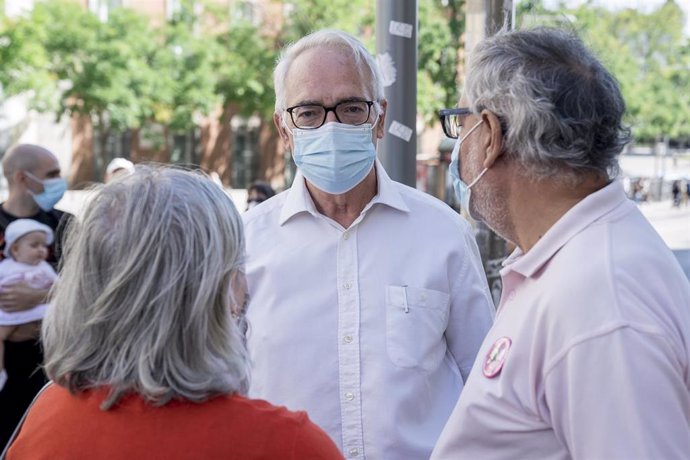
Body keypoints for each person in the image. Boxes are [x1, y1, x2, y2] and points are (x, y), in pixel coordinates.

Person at [431, 27, 690, 459]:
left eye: (462, 123)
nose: (460, 145)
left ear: (491, 135)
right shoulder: (570, 262)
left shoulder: (601, 300)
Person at [243, 29, 495, 459]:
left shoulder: (443, 234)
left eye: (351, 108)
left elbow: (485, 385)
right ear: (283, 129)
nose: (332, 126)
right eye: (308, 113)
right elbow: (220, 387)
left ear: (379, 118)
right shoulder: (245, 243)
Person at [5, 166, 343, 459]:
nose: (244, 284)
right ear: (218, 290)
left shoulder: (46, 417)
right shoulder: (287, 445)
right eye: (238, 266)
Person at [0, 144, 71, 447]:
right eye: (51, 174)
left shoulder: (67, 225)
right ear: (22, 178)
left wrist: (42, 296)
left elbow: (92, 289)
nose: (60, 180)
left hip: (54, 364)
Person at [0, 219, 57, 392]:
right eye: (34, 245)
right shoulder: (6, 267)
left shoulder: (44, 267)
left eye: (44, 245)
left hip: (40, 314)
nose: (41, 250)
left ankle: (53, 368)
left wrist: (40, 296)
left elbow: (60, 286)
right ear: (15, 249)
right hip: (10, 314)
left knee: (52, 336)